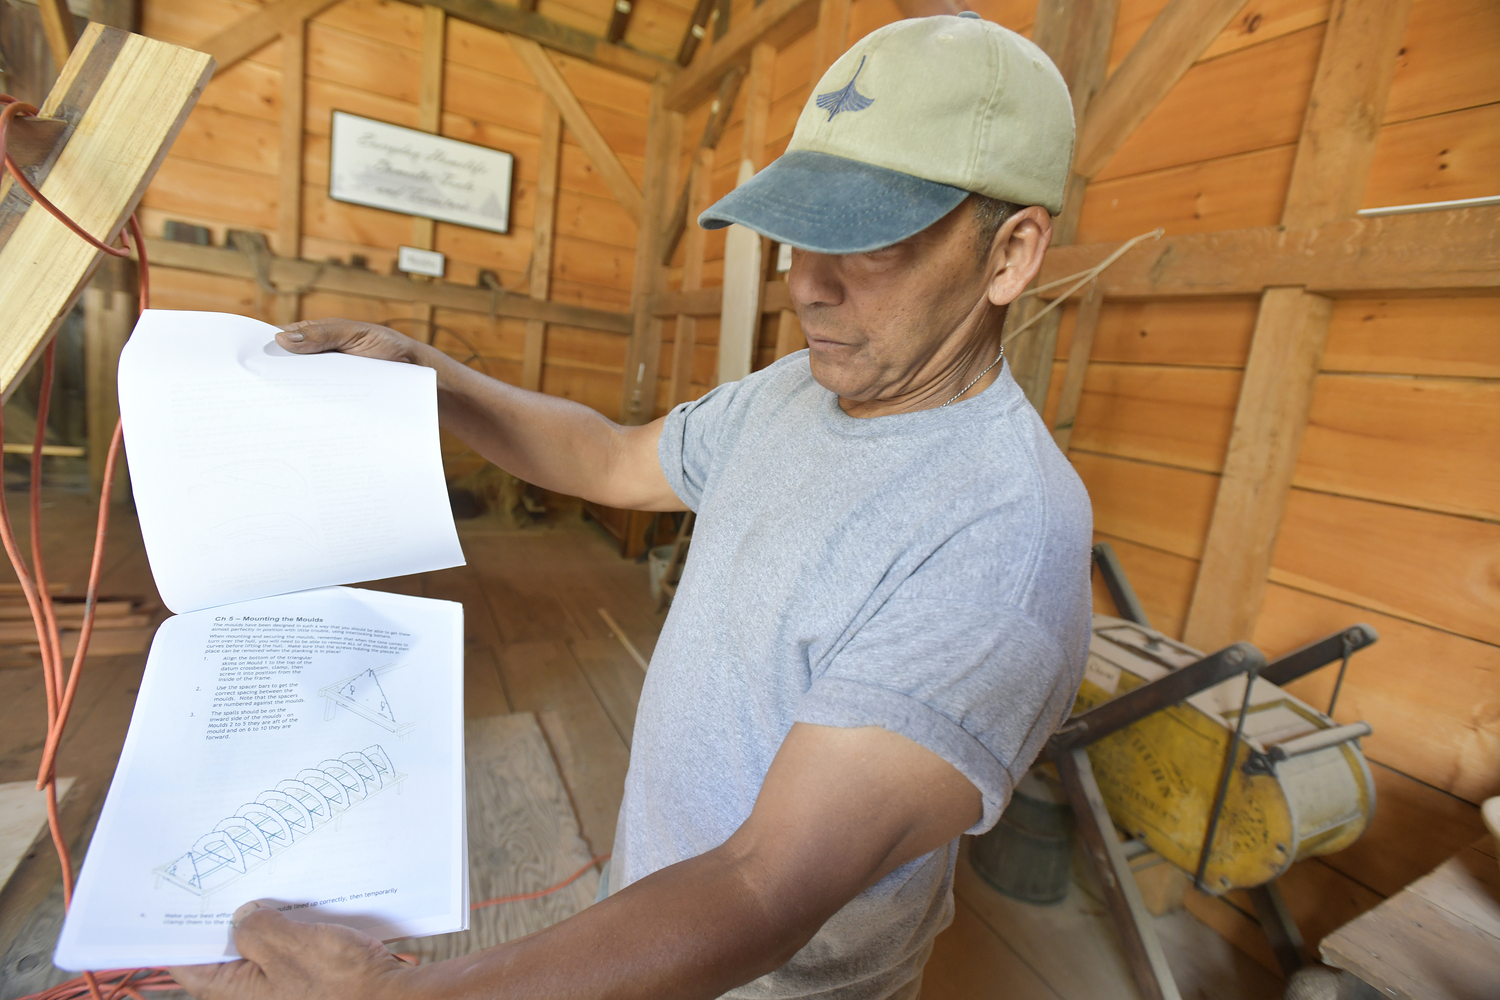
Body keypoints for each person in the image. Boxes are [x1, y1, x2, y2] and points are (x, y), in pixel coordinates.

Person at [172, 13, 1092, 1000]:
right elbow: (612, 459)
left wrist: (391, 997)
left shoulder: (1000, 545)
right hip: (643, 922)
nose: (808, 290)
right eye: (797, 238)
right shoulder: (796, 391)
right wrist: (431, 374)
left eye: (867, 245)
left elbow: (759, 888)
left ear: (1010, 256)